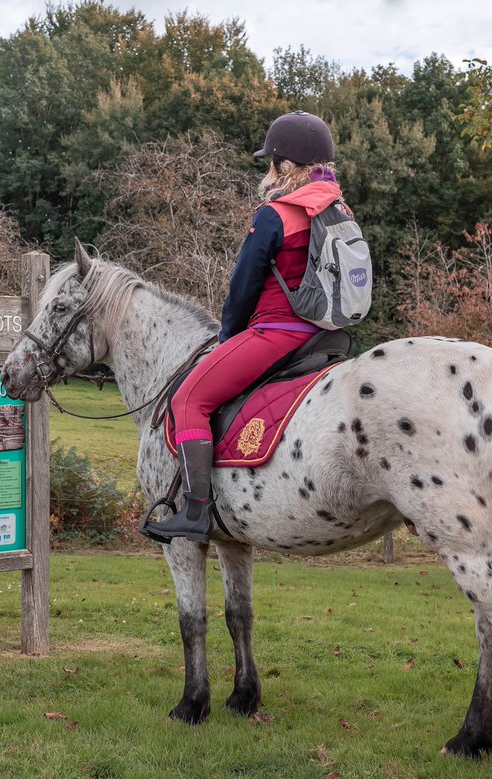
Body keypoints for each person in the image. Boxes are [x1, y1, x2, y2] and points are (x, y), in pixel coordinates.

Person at [143, 110, 346, 543]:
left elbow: (242, 289)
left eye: (270, 163)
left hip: (277, 334)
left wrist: (226, 339)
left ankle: (196, 513)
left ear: (285, 166)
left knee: (188, 400)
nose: (267, 172)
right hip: (324, 337)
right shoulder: (337, 211)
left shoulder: (275, 213)